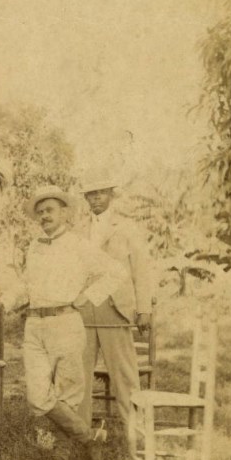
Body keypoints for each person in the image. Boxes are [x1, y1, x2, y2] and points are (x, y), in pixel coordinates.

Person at [12, 186, 126, 460]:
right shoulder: (35, 245)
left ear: (64, 212)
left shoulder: (79, 244)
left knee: (68, 393)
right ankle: (89, 438)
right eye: (39, 212)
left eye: (49, 210)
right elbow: (26, 284)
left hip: (65, 321)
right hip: (34, 324)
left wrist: (87, 296)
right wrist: (5, 300)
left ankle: (60, 459)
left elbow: (117, 272)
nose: (44, 216)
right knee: (38, 397)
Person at [76, 173, 156, 440]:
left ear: (111, 194)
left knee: (125, 376)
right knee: (79, 376)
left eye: (100, 192)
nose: (95, 198)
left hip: (115, 308)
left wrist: (144, 308)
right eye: (90, 194)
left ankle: (138, 437)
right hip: (84, 309)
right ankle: (81, 436)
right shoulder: (78, 227)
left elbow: (141, 270)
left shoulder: (127, 227)